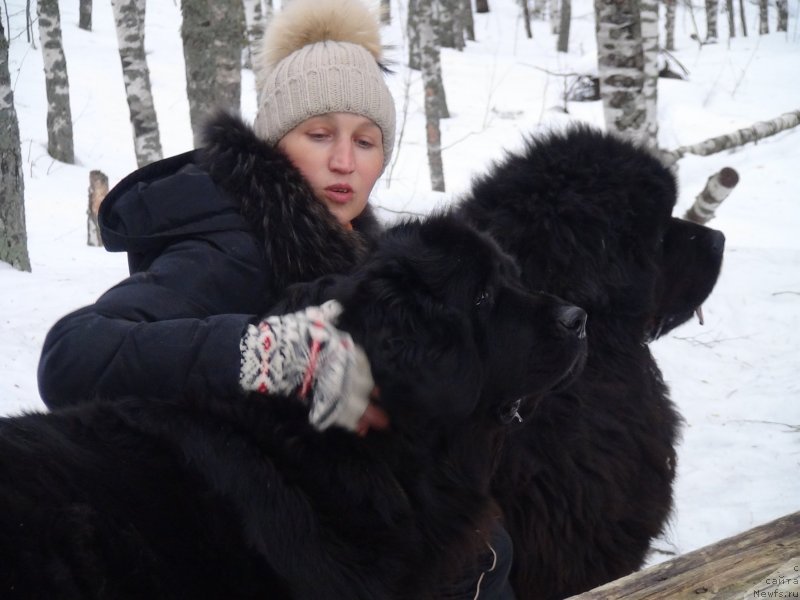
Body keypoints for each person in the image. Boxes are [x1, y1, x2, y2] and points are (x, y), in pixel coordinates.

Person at [37, 0, 514, 597]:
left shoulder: (355, 253)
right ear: (275, 141)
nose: (344, 162)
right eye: (319, 135)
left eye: (366, 141)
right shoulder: (233, 244)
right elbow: (72, 355)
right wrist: (265, 352)